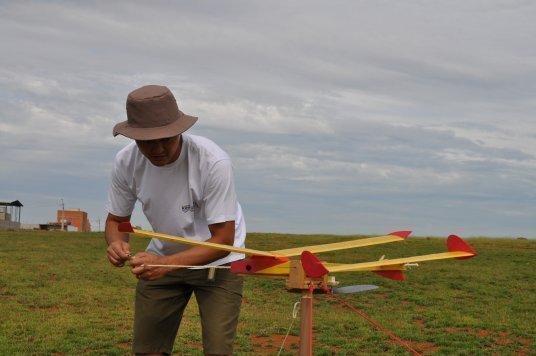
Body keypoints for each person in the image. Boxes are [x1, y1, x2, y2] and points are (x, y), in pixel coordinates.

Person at [104, 85, 246, 355]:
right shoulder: (125, 162)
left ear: (180, 131)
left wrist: (167, 264)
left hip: (220, 261)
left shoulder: (213, 161)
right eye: (147, 141)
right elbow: (115, 221)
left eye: (166, 139)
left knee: (217, 350)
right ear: (133, 137)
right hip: (161, 259)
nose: (158, 149)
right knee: (147, 350)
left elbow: (223, 240)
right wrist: (116, 243)